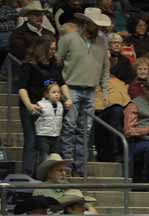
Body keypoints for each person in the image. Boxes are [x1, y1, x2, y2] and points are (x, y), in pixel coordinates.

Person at [56, 7, 111, 176]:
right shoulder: (69, 39)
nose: (97, 28)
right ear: (86, 23)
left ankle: (80, 167)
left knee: (85, 130)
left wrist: (105, 90)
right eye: (94, 24)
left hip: (91, 89)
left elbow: (105, 68)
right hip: (71, 87)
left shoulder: (102, 42)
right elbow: (58, 61)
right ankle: (67, 165)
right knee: (70, 127)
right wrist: (59, 85)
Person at [17, 37, 71, 177]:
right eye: (51, 49)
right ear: (43, 49)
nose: (54, 51)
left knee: (50, 143)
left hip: (50, 108)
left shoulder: (54, 64)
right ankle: (27, 174)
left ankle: (47, 174)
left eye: (55, 49)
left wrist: (68, 98)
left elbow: (62, 83)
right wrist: (29, 105)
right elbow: (22, 88)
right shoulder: (29, 65)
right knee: (31, 140)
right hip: (33, 106)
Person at [123, 83, 149, 183]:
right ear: (147, 91)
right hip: (137, 143)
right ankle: (146, 181)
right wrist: (148, 130)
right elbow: (128, 131)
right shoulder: (134, 105)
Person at [34, 82, 63, 164]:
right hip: (43, 135)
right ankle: (42, 174)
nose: (57, 94)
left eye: (58, 92)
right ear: (47, 94)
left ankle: (52, 173)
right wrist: (36, 111)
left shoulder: (60, 105)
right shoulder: (41, 104)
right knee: (44, 156)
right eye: (54, 92)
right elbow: (34, 115)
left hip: (56, 135)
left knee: (54, 156)